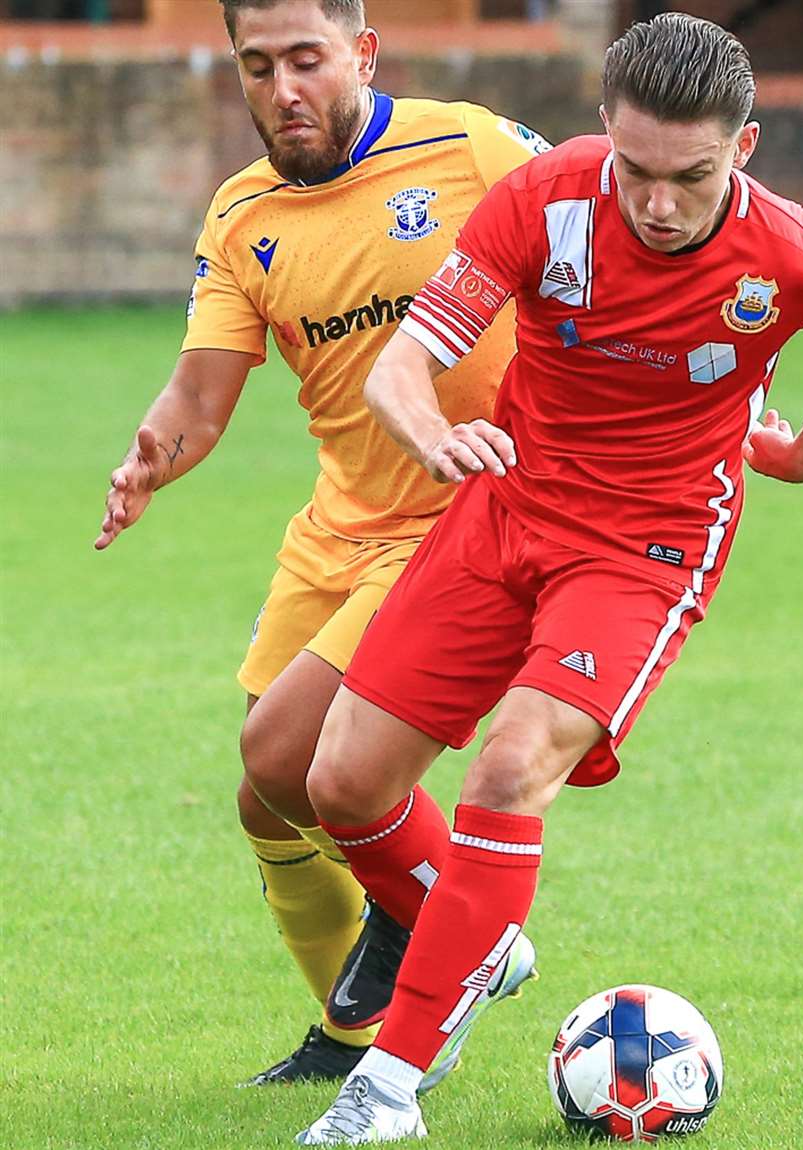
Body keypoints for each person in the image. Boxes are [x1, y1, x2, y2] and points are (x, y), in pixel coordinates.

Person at [293, 10, 803, 1144]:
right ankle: (481, 938)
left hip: (649, 545)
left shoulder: (790, 251)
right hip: (506, 506)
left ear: (746, 150)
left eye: (690, 176)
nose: (656, 203)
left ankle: (387, 1089)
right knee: (342, 784)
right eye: (635, 169)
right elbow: (405, 364)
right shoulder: (546, 199)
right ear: (603, 138)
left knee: (512, 767)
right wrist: (431, 430)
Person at [94, 0, 549, 1088]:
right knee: (269, 801)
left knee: (282, 756)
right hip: (338, 526)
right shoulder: (242, 210)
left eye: (308, 59)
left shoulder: (470, 145)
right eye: (259, 67)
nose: (284, 87)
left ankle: (459, 924)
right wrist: (154, 453)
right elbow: (202, 390)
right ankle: (349, 1031)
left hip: (463, 513)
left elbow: (603, 224)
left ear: (363, 55)